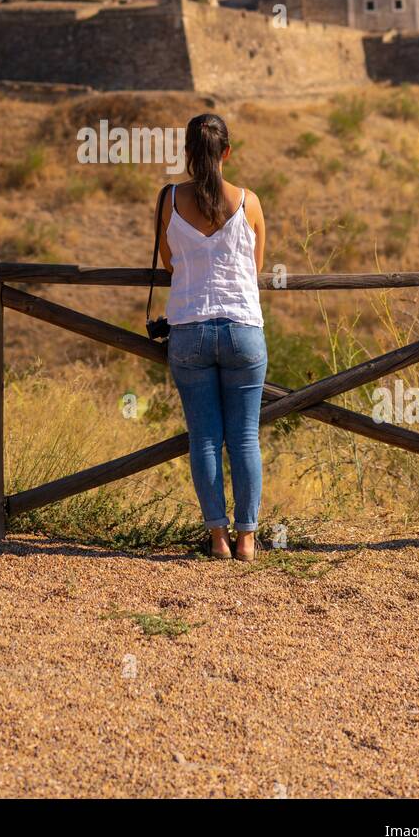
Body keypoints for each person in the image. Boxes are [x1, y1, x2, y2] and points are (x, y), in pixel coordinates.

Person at [155, 114, 267, 561]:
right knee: (244, 438)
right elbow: (255, 269)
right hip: (242, 329)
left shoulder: (170, 200)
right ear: (227, 153)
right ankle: (247, 539)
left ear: (186, 153)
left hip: (189, 329)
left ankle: (217, 537)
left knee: (204, 438)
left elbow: (169, 264)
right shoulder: (249, 201)